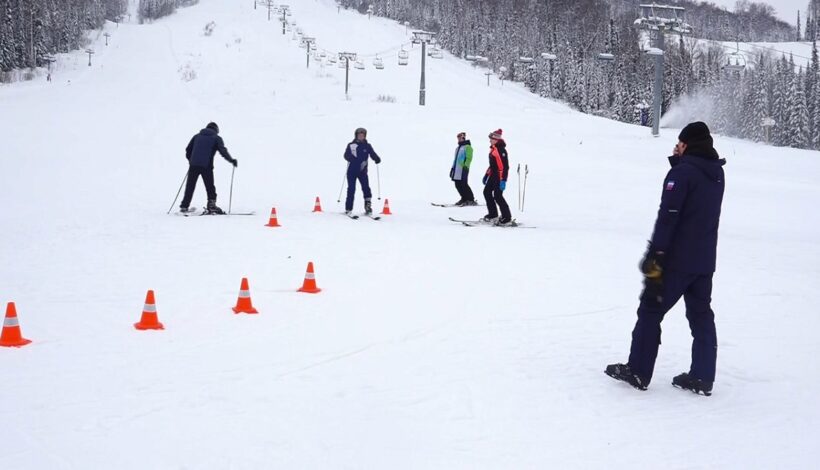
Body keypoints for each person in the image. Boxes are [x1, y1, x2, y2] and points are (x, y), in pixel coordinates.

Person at [606, 122, 726, 396]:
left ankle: (638, 370)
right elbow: (696, 202)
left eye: (680, 142)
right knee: (701, 315)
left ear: (687, 144)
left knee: (650, 310)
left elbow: (669, 216)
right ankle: (702, 377)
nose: (677, 146)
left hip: (675, 259)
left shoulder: (683, 174)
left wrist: (655, 253)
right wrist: (680, 163)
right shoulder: (715, 173)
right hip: (704, 261)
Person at [180, 122, 237, 214]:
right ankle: (211, 206)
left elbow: (188, 150)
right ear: (216, 130)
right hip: (206, 166)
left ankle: (184, 206)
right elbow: (223, 151)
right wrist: (231, 160)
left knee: (190, 186)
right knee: (210, 186)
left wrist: (191, 160)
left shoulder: (196, 136)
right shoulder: (216, 138)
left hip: (193, 165)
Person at [344, 127, 381, 215]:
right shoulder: (351, 145)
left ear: (365, 136)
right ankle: (348, 208)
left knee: (366, 188)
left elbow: (372, 153)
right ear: (356, 136)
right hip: (351, 172)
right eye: (359, 135)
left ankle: (368, 207)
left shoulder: (367, 146)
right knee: (351, 189)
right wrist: (350, 157)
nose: (361, 136)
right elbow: (345, 155)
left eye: (362, 135)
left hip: (362, 172)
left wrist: (376, 158)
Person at [482, 129, 511, 224]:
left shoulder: (500, 150)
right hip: (493, 176)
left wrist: (503, 180)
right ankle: (493, 214)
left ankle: (507, 218)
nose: (490, 140)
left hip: (499, 177)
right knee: (486, 192)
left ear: (496, 139)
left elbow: (505, 167)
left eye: (491, 139)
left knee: (498, 196)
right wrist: (486, 175)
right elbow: (492, 165)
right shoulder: (494, 149)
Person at [450, 132, 477, 206]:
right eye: (458, 138)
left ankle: (470, 199)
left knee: (463, 184)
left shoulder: (467, 147)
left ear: (463, 138)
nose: (458, 139)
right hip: (456, 169)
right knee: (457, 184)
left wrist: (465, 165)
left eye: (460, 138)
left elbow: (469, 157)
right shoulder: (457, 148)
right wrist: (452, 168)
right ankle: (464, 198)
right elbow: (455, 159)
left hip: (463, 169)